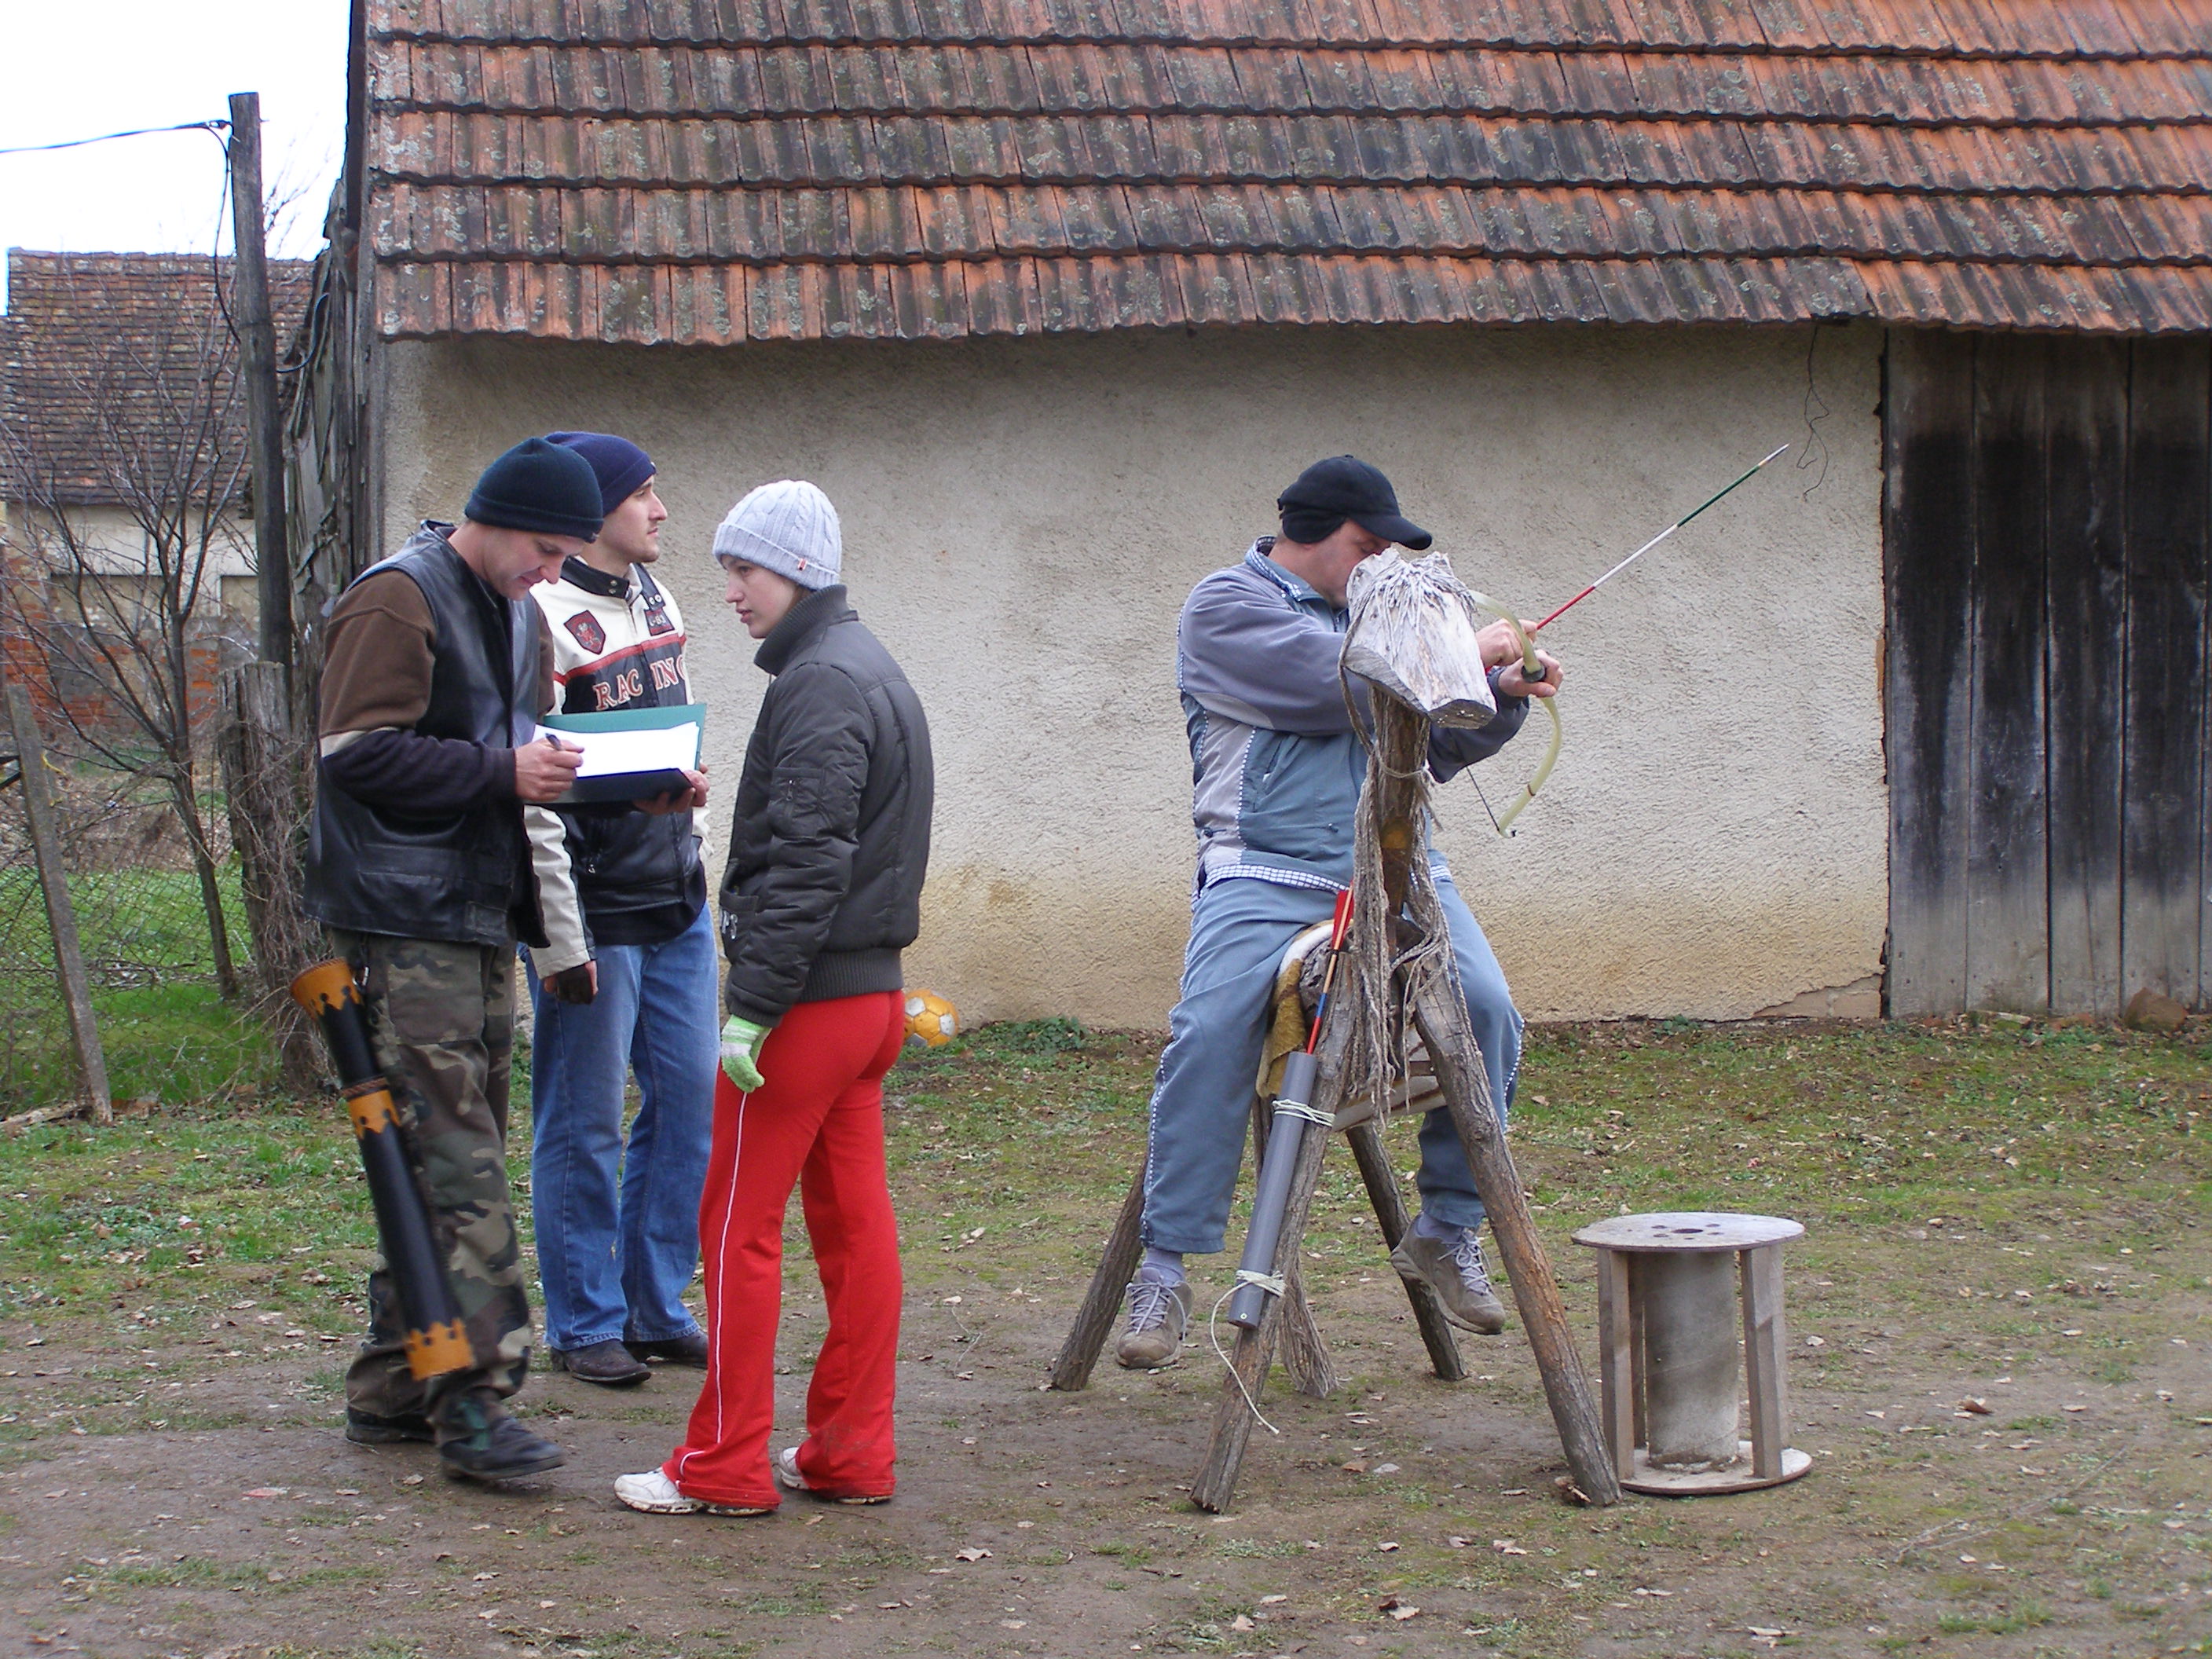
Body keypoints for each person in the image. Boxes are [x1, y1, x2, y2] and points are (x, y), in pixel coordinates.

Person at [1115, 455, 1563, 1370]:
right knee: (1210, 1030)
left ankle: (1445, 1226)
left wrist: (1498, 697)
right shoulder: (1226, 607)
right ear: (1310, 532)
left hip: (1397, 873)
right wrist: (1457, 648)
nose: (1376, 566)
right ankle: (1163, 1267)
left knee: (1485, 1010)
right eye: (1364, 546)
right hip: (1264, 875)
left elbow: (1430, 749)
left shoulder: (1379, 617)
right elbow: (1337, 688)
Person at [616, 479, 933, 1518]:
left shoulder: (821, 682)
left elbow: (808, 862)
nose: (730, 592)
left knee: (734, 1227)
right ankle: (851, 1452)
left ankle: (721, 1465)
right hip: (866, 1004)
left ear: (795, 572)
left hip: (804, 1012)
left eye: (743, 571)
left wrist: (751, 1006)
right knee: (853, 1229)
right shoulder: (862, 663)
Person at [302, 437, 604, 1479]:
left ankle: (395, 1384)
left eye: (565, 558)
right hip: (402, 917)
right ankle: (474, 1404)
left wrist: (625, 793)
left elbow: (521, 762)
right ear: (496, 518)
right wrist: (503, 773)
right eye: (546, 551)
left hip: (478, 912)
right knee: (459, 1161)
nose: (552, 574)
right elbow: (353, 755)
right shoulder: (397, 600)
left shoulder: (517, 615)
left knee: (443, 1154)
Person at [520, 431, 716, 1386]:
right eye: (642, 494)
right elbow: (534, 793)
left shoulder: (655, 597)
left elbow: (680, 738)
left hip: (675, 898)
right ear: (595, 508)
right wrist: (559, 939)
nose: (660, 510)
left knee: (689, 1107)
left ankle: (654, 1305)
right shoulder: (541, 616)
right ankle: (583, 1320)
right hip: (594, 907)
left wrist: (695, 841)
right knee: (583, 1121)